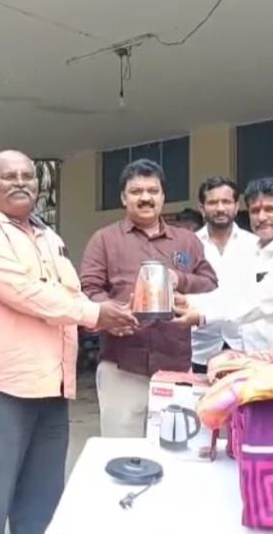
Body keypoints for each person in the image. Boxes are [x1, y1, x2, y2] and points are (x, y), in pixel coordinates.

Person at [0, 150, 137, 534]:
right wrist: (95, 314)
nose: (21, 182)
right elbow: (25, 293)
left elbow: (69, 295)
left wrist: (108, 317)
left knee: (42, 505)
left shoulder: (48, 236)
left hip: (52, 386)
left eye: (28, 176)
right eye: (9, 177)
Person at [80, 158, 217, 438]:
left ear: (163, 196)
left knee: (175, 446)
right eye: (136, 191)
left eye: (153, 191)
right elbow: (88, 290)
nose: (145, 198)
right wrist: (112, 314)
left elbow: (210, 284)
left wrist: (180, 279)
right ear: (123, 198)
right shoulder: (104, 239)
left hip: (175, 365)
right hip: (123, 366)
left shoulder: (186, 241)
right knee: (123, 449)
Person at [173, 177, 273, 352]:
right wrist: (188, 301)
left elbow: (259, 301)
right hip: (248, 354)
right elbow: (232, 293)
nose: (261, 217)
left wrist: (202, 315)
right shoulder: (253, 251)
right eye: (255, 211)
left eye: (270, 209)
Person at [187, 176, 257, 373]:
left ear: (236, 206)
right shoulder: (188, 245)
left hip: (244, 346)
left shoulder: (254, 245)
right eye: (212, 202)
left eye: (226, 202)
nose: (220, 208)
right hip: (200, 347)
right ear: (202, 208)